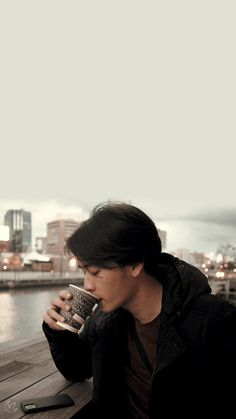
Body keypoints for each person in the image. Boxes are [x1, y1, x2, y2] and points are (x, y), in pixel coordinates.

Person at [43, 202, 236, 418]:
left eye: (95, 271)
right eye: (84, 271)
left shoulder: (214, 321)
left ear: (135, 264)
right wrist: (59, 333)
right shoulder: (104, 318)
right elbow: (77, 370)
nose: (87, 284)